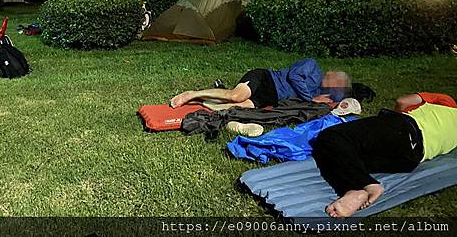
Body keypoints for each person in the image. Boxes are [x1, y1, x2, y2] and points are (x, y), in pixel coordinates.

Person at [312, 92, 457, 218]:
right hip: (411, 159)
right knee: (345, 156)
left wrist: (391, 123)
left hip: (405, 129)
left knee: (331, 137)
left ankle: (362, 186)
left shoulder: (448, 102)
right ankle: (355, 188)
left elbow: (403, 102)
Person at [170, 58, 351, 110]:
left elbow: (336, 100)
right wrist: (311, 98)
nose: (336, 83)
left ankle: (199, 101)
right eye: (338, 79)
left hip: (270, 98)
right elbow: (295, 76)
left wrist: (332, 100)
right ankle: (192, 93)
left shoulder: (319, 90)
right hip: (265, 79)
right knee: (235, 95)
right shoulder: (312, 66)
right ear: (332, 74)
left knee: (235, 106)